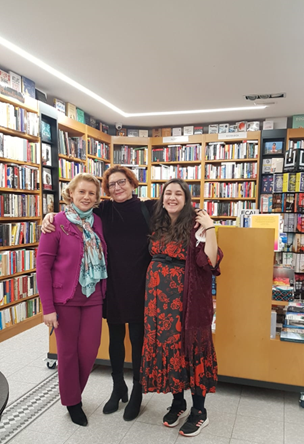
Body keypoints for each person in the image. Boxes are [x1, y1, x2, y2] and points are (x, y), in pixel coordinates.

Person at [41, 165, 155, 421]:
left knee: (128, 342)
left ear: (132, 183)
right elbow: (70, 217)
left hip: (136, 288)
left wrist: (203, 220)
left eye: (122, 182)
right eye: (112, 184)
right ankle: (111, 389)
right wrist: (48, 217)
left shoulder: (146, 208)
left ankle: (137, 390)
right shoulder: (98, 212)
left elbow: (177, 207)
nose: (118, 187)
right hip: (107, 288)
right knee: (109, 342)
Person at [140, 178, 223, 438]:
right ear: (161, 198)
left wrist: (210, 228)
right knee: (170, 349)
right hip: (157, 304)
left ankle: (199, 412)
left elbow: (210, 261)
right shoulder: (157, 224)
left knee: (191, 349)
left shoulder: (196, 225)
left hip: (187, 304)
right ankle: (178, 403)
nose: (172, 198)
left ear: (187, 199)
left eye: (178, 194)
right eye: (168, 193)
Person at [37, 173, 108, 426]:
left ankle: (72, 393)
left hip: (93, 296)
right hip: (63, 299)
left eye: (91, 193)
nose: (86, 197)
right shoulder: (55, 222)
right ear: (71, 194)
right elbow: (43, 267)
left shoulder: (98, 221)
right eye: (82, 192)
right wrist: (48, 309)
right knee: (67, 354)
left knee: (88, 352)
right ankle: (73, 402)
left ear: (97, 198)